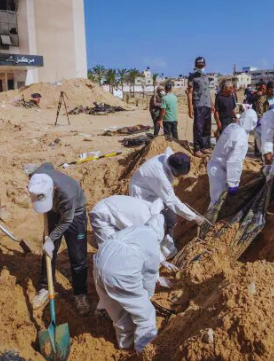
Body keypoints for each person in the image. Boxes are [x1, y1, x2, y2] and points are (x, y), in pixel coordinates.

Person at [94, 212, 175, 353]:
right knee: (146, 315)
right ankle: (143, 350)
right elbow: (148, 277)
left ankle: (125, 346)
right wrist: (146, 299)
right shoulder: (152, 243)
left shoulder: (136, 229)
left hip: (99, 264)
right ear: (164, 230)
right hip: (120, 273)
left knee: (118, 314)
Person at [28, 164, 90, 315]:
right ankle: (45, 287)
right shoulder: (37, 178)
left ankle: (80, 294)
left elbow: (66, 221)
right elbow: (48, 165)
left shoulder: (68, 195)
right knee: (48, 251)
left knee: (78, 256)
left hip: (74, 215)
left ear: (54, 188)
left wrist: (51, 238)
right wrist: (49, 242)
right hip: (53, 208)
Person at [129, 148, 205, 224]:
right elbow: (171, 200)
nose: (178, 177)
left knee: (159, 212)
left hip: (152, 188)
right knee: (145, 220)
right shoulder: (160, 176)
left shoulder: (169, 159)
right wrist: (193, 217)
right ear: (174, 170)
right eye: (179, 174)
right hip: (142, 193)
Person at [208, 105, 258, 205]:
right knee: (217, 201)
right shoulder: (241, 137)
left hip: (215, 166)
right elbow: (234, 162)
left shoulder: (232, 126)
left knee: (216, 199)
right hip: (220, 171)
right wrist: (233, 184)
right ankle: (209, 220)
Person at [187, 56, 214, 157]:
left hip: (207, 104)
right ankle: (197, 148)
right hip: (198, 105)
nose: (200, 67)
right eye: (198, 65)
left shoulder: (206, 77)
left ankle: (204, 146)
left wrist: (211, 103)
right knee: (198, 127)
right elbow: (189, 93)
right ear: (195, 66)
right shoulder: (192, 77)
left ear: (205, 65)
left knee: (207, 127)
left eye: (202, 65)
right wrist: (190, 108)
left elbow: (207, 91)